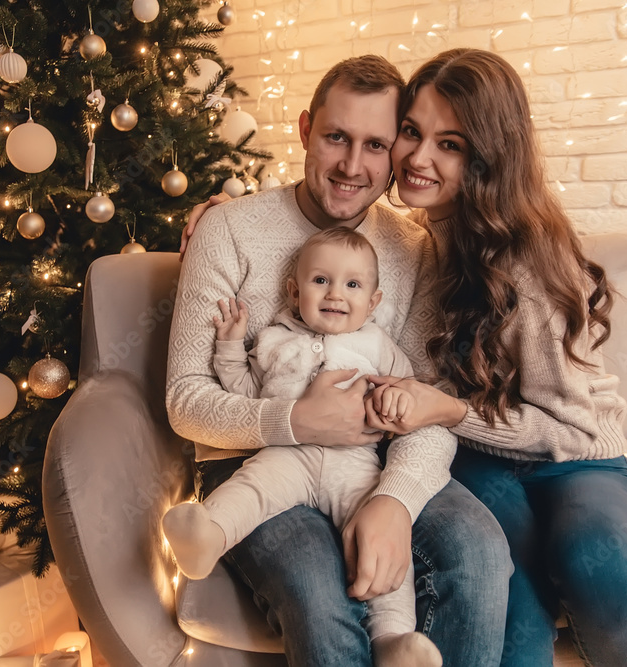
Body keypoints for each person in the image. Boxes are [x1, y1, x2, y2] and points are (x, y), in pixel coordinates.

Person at [167, 54, 511, 666]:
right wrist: (297, 422)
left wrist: (394, 500)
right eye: (336, 138)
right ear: (305, 130)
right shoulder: (228, 230)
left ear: (396, 153)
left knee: (479, 547)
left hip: (370, 463)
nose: (353, 167)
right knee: (319, 594)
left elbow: (428, 398)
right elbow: (187, 399)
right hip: (256, 463)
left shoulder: (412, 248)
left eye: (375, 145)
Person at [364, 48, 627, 666]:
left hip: (573, 454)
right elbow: (319, 218)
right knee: (513, 606)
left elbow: (572, 427)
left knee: (595, 563)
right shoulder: (410, 240)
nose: (418, 159)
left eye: (451, 144)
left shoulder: (529, 259)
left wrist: (446, 410)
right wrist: (214, 211)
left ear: (488, 157)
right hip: (477, 458)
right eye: (412, 133)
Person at [164, 227, 446, 666]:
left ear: (373, 302)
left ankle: (393, 639)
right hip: (285, 453)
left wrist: (397, 399)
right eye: (321, 281)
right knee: (252, 489)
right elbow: (245, 392)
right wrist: (230, 346)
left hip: (353, 464)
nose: (335, 293)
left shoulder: (376, 344)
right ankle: (207, 538)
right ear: (295, 292)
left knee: (380, 541)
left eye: (352, 285)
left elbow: (407, 390)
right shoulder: (274, 340)